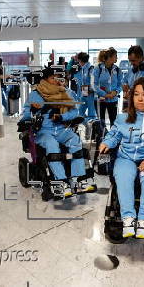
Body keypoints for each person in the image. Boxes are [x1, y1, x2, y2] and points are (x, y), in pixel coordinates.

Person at [99, 77, 144, 239]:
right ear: (131, 97)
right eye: (136, 94)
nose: (140, 98)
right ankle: (128, 219)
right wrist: (107, 142)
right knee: (124, 176)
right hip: (126, 158)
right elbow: (114, 135)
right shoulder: (122, 118)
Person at [19, 67, 94, 200]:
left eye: (59, 77)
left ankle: (78, 178)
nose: (56, 80)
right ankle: (61, 181)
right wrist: (31, 112)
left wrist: (61, 117)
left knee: (75, 140)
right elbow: (25, 113)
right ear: (45, 80)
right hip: (44, 131)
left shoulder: (66, 93)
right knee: (52, 145)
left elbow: (74, 112)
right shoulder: (36, 94)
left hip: (62, 129)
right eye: (53, 78)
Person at [93, 47, 122, 127]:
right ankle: (101, 138)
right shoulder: (97, 69)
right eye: (115, 56)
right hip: (100, 100)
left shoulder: (117, 69)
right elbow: (93, 85)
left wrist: (116, 92)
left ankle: (112, 138)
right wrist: (104, 94)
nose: (117, 58)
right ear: (109, 57)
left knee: (114, 122)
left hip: (113, 100)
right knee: (101, 122)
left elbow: (120, 84)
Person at [74, 52, 96, 121]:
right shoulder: (83, 69)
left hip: (90, 93)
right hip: (84, 92)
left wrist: (88, 88)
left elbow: (94, 83)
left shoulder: (90, 69)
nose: (78, 62)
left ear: (80, 60)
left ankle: (91, 128)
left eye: (78, 60)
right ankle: (83, 125)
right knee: (80, 111)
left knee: (91, 114)